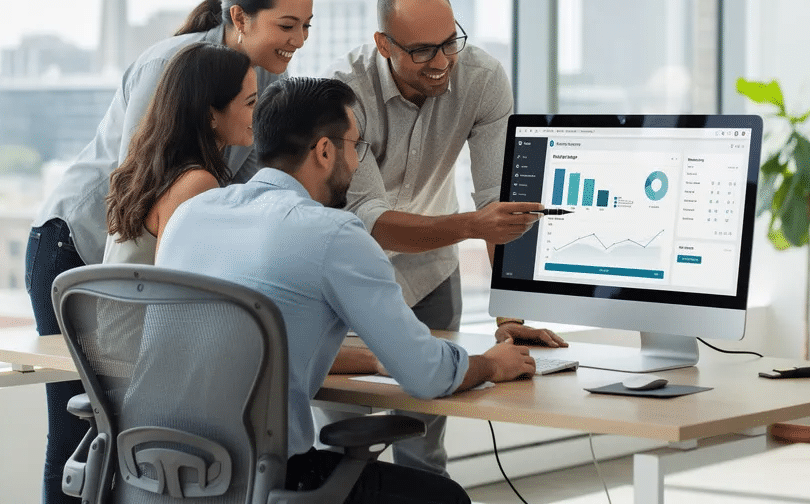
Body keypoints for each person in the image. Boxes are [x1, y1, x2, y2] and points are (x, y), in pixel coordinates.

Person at [156, 77, 536, 504]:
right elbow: (426, 375)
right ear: (324, 151)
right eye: (355, 146)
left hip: (152, 468)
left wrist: (372, 359)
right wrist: (490, 364)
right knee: (445, 499)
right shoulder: (332, 234)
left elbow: (238, 341)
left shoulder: (190, 214)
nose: (357, 163)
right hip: (262, 479)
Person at [24, 0, 313, 503]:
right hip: (79, 244)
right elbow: (140, 178)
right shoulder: (173, 66)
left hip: (144, 251)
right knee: (82, 425)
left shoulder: (265, 88)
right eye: (285, 25)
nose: (297, 40)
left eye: (304, 26)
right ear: (239, 18)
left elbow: (255, 194)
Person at [323, 0, 566, 476]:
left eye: (449, 42)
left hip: (430, 270)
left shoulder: (482, 78)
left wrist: (508, 314)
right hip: (348, 276)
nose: (440, 62)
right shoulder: (344, 91)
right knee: (343, 441)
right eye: (421, 51)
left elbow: (501, 205)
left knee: (424, 441)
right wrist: (474, 225)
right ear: (383, 44)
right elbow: (369, 220)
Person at [104, 42, 256, 266]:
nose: (259, 112)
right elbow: (177, 287)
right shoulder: (196, 183)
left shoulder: (148, 169)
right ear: (210, 115)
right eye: (251, 102)